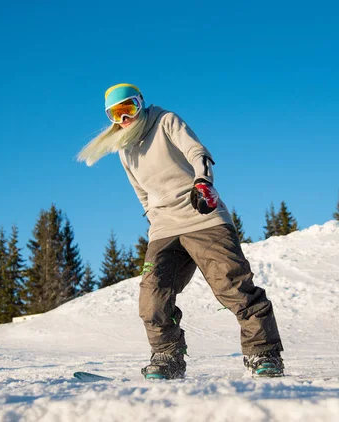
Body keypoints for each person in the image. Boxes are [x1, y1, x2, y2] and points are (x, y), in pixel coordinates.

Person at [78, 83, 284, 379]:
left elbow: (197, 151)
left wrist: (203, 182)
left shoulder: (165, 121)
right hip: (164, 228)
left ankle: (264, 354)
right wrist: (154, 218)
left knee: (233, 286)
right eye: (116, 114)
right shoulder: (124, 148)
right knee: (152, 295)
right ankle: (167, 356)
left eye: (130, 108)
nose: (124, 119)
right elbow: (141, 192)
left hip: (202, 217)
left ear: (142, 104)